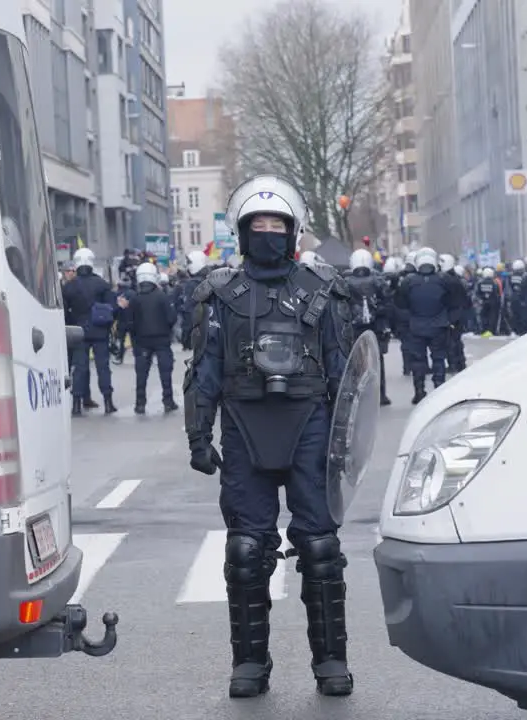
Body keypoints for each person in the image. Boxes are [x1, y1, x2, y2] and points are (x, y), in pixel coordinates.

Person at [184, 174, 356, 699]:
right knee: (245, 549)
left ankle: (331, 662)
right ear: (241, 230)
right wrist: (198, 434)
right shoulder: (219, 293)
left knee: (321, 547)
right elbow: (204, 368)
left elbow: (346, 373)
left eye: (276, 224)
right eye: (256, 224)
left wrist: (347, 441)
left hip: (310, 426)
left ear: (293, 229)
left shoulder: (324, 290)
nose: (267, 231)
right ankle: (250, 664)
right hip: (243, 427)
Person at [62, 247, 120, 416]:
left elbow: (64, 313)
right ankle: (108, 402)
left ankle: (76, 404)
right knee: (103, 367)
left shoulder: (69, 287)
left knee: (79, 368)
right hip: (100, 331)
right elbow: (113, 308)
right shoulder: (102, 284)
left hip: (78, 332)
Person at [399, 248, 452, 404]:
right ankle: (439, 389)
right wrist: (449, 320)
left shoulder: (408, 281)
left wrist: (408, 321)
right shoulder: (444, 280)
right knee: (439, 359)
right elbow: (454, 301)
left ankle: (419, 391)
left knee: (418, 361)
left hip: (417, 327)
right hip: (438, 326)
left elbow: (400, 305)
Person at [128, 262, 179, 414]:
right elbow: (171, 318)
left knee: (142, 374)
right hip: (162, 340)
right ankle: (168, 401)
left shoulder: (135, 299)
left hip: (142, 341)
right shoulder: (162, 296)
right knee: (165, 372)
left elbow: (130, 322)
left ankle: (140, 403)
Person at [345, 248, 391, 405]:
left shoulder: (346, 282)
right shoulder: (378, 281)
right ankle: (381, 394)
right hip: (375, 325)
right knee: (377, 360)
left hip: (354, 326)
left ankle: (358, 394)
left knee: (356, 361)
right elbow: (387, 303)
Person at [437, 253, 467, 374]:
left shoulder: (448, 280)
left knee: (452, 341)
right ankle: (458, 363)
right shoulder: (454, 279)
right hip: (456, 314)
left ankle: (455, 364)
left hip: (453, 314)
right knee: (455, 341)